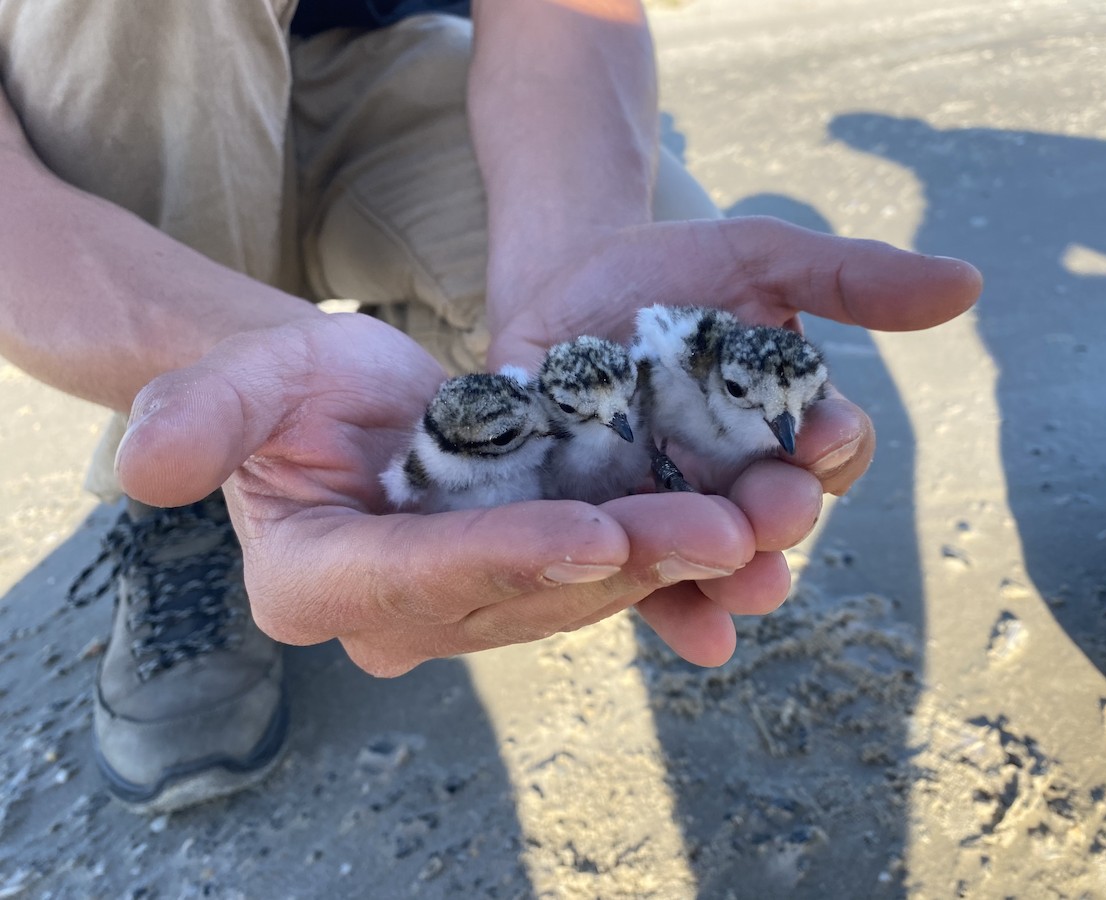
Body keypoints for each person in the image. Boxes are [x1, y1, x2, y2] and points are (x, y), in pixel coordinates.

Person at [0, 0, 982, 813]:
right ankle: (201, 489)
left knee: (664, 303)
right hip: (102, 132)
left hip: (407, 66)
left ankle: (345, 400)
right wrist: (226, 367)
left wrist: (571, 269)